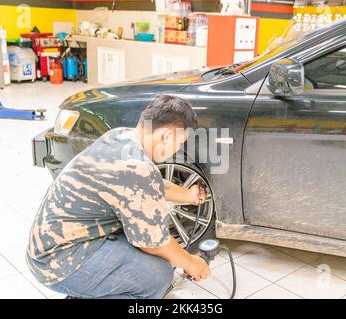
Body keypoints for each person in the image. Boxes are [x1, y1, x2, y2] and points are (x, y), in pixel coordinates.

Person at [26, 95, 211, 299]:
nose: (176, 150)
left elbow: (150, 184)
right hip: (58, 261)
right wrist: (191, 263)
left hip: (53, 244)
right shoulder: (137, 168)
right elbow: (153, 243)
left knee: (155, 262)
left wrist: (188, 195)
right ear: (166, 136)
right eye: (179, 143)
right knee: (157, 277)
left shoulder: (120, 136)